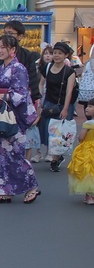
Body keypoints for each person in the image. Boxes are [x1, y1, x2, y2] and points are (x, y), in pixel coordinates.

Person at [0, 34, 40, 204]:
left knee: (16, 153)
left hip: (13, 116)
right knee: (0, 155)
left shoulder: (19, 69)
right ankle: (4, 190)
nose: (0, 50)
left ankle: (32, 186)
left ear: (13, 50)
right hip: (0, 113)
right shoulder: (0, 68)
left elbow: (21, 94)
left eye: (4, 47)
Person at [39, 42, 77, 171]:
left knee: (59, 132)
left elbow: (69, 91)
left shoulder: (69, 71)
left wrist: (66, 108)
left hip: (63, 104)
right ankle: (55, 154)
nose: (56, 55)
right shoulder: (47, 68)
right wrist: (40, 100)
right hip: (49, 103)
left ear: (66, 55)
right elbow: (41, 83)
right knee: (49, 131)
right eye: (55, 53)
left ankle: (55, 159)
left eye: (60, 53)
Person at [67, 101, 94, 204]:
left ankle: (89, 195)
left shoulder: (88, 124)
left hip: (88, 149)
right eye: (87, 106)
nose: (87, 108)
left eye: (90, 106)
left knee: (87, 171)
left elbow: (81, 138)